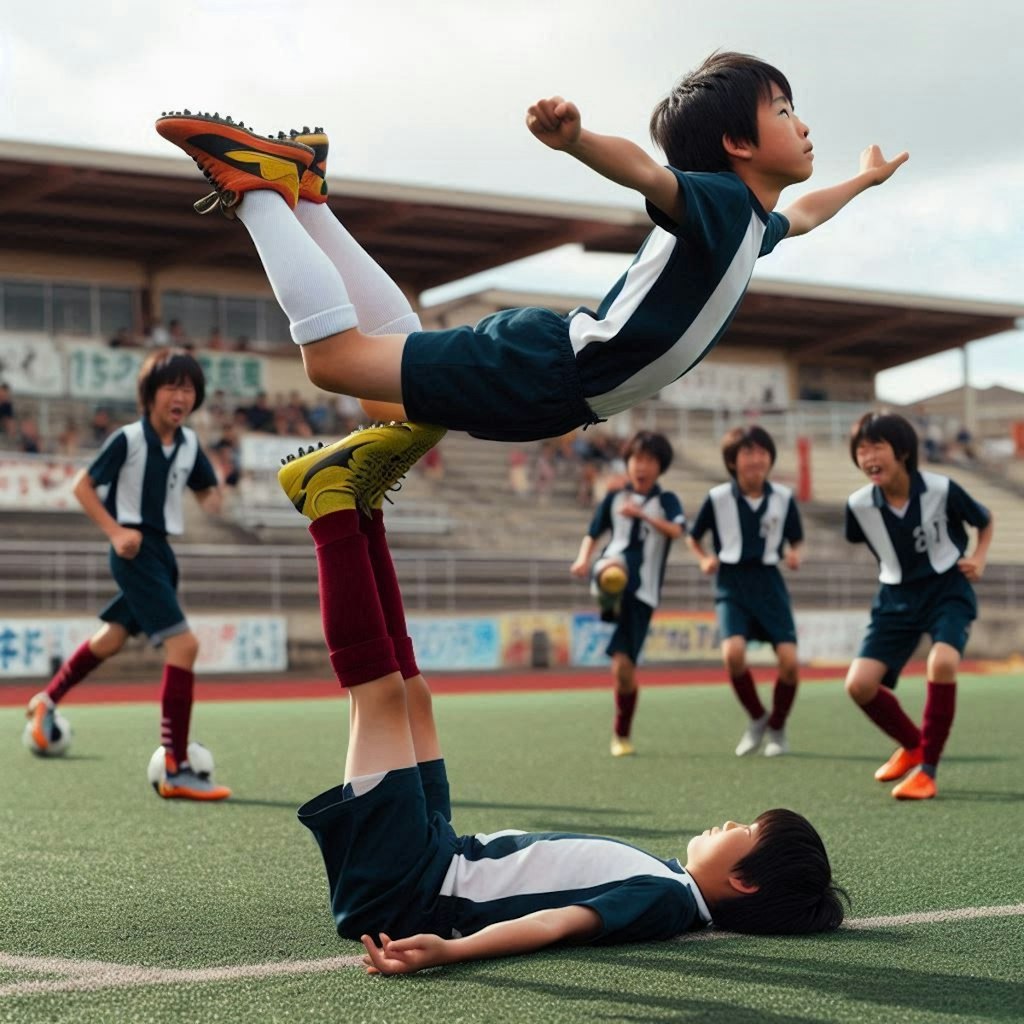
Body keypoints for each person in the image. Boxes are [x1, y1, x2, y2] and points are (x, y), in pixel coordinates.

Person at [270, 427, 846, 974]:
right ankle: (365, 512)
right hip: (443, 854)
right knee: (413, 696)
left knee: (382, 696)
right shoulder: (668, 882)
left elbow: (555, 924)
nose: (728, 822)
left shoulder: (667, 902)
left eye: (743, 831)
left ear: (744, 882)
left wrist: (455, 951)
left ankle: (330, 506)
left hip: (410, 889)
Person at [154, 51, 907, 446]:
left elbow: (805, 215)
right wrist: (577, 141)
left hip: (558, 391)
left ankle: (307, 195)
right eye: (785, 110)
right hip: (549, 372)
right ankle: (259, 187)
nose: (803, 124)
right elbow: (648, 172)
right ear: (739, 144)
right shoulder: (719, 201)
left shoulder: (752, 224)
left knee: (385, 392)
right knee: (333, 363)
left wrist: (865, 183)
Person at [24, 349, 231, 801]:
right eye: (171, 386)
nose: (181, 395)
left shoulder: (191, 444)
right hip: (133, 552)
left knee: (111, 639)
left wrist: (221, 497)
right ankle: (175, 765)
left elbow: (207, 495)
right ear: (150, 394)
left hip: (163, 554)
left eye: (189, 388)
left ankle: (47, 700)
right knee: (185, 645)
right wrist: (116, 531)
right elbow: (82, 485)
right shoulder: (128, 439)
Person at [843, 412, 993, 800]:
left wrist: (979, 557)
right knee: (859, 685)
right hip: (894, 597)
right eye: (861, 450)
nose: (868, 456)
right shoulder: (858, 506)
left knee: (941, 662)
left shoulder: (942, 489)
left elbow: (985, 520)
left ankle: (928, 770)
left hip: (947, 588)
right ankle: (914, 746)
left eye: (877, 446)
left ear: (903, 451)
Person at [686, 426, 804, 757]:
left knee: (790, 661)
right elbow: (693, 537)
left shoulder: (783, 497)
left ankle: (777, 728)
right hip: (731, 583)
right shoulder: (718, 498)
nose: (755, 459)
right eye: (747, 453)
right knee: (732, 654)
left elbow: (796, 538)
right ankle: (757, 718)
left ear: (770, 458)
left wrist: (796, 554)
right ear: (732, 461)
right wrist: (704, 558)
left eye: (762, 452)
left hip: (769, 582)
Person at [570, 431, 685, 757]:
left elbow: (677, 530)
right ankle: (607, 594)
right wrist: (582, 560)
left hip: (643, 594)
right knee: (614, 571)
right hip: (611, 566)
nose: (641, 466)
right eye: (636, 459)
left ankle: (621, 732)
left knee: (623, 671)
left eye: (649, 460)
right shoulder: (615, 497)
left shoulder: (667, 502)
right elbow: (593, 533)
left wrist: (645, 515)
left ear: (660, 466)